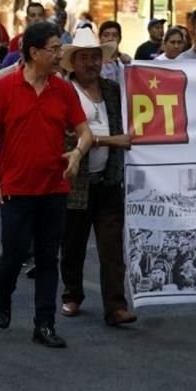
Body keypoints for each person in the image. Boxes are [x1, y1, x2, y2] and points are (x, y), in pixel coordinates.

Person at [0, 21, 93, 347]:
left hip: (54, 189)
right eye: (54, 49)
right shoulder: (5, 87)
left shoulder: (63, 89)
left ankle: (44, 324)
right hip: (17, 188)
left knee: (47, 258)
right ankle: (3, 294)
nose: (60, 55)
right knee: (13, 255)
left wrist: (76, 153)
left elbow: (84, 132)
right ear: (34, 52)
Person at [58, 29, 136, 326]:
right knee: (73, 243)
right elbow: (68, 135)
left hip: (108, 179)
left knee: (111, 247)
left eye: (95, 57)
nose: (91, 63)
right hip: (75, 179)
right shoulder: (65, 92)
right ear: (73, 62)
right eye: (85, 58)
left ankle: (115, 306)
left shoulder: (113, 89)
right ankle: (72, 294)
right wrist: (112, 141)